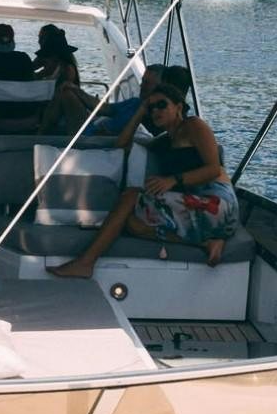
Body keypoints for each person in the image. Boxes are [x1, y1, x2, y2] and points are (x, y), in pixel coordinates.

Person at [47, 77, 238, 275]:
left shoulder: (194, 125)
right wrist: (140, 112)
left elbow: (214, 169)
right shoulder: (163, 142)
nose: (156, 110)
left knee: (131, 196)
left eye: (162, 105)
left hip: (217, 202)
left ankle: (86, 263)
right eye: (151, 107)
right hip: (193, 208)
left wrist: (173, 180)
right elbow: (121, 146)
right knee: (131, 223)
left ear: (179, 106)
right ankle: (207, 243)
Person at [34, 24, 98, 133]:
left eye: (41, 38)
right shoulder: (44, 60)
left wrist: (40, 75)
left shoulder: (67, 68)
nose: (38, 41)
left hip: (63, 111)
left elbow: (62, 92)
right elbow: (27, 71)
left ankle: (39, 133)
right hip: (46, 106)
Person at [88, 63, 167, 136]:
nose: (141, 86)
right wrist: (79, 93)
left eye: (147, 83)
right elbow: (107, 108)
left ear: (160, 87)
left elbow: (139, 140)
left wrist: (109, 135)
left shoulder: (156, 119)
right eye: (142, 81)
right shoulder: (134, 103)